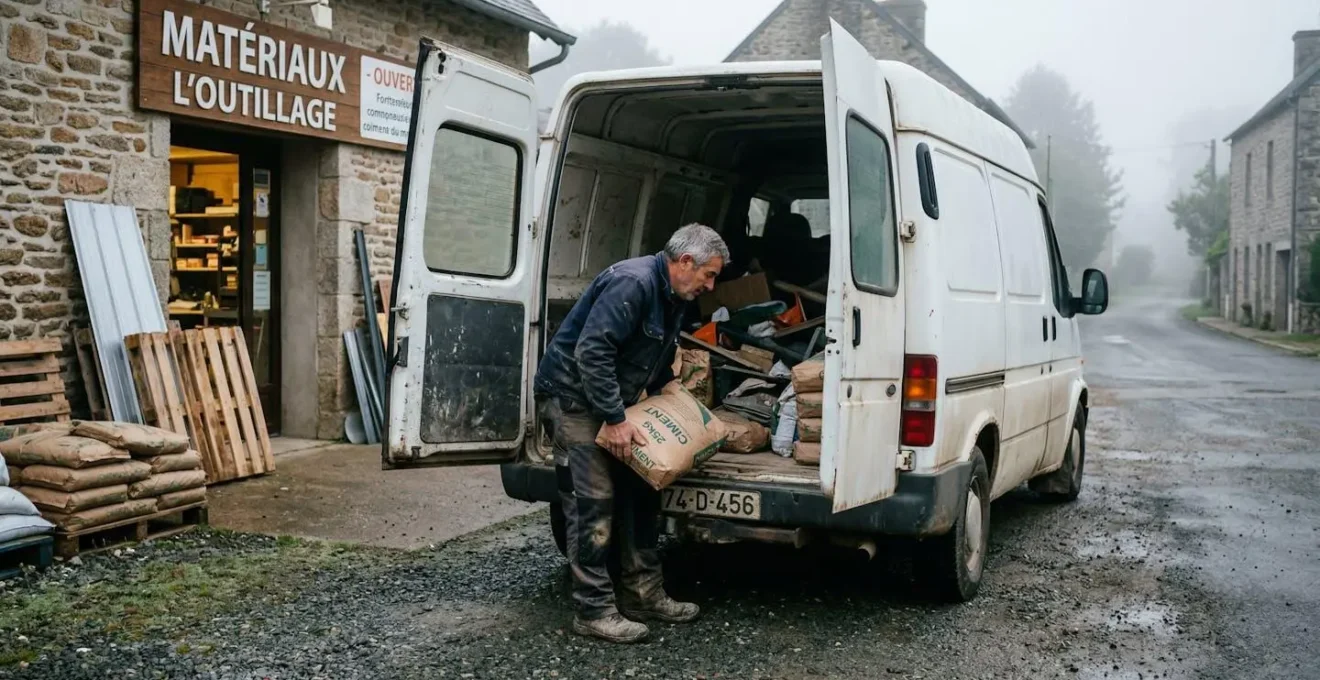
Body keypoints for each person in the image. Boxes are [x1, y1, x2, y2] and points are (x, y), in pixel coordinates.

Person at [533, 223, 729, 644]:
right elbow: (593, 350)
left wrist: (661, 399)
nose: (710, 286)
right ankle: (594, 611)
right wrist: (615, 418)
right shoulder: (633, 282)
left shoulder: (674, 294)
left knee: (642, 491)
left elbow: (655, 354)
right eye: (709, 274)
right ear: (685, 262)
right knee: (593, 505)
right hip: (574, 397)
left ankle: (644, 594)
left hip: (610, 399)